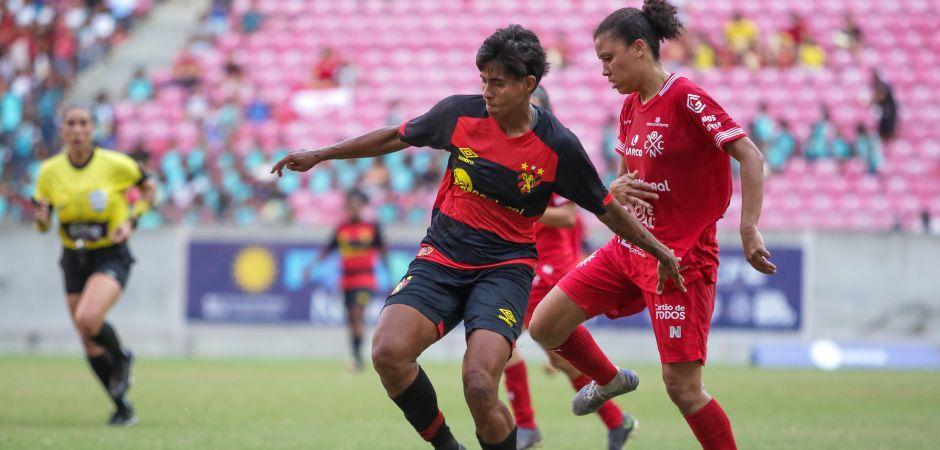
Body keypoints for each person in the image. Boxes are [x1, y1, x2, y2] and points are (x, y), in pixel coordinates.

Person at [272, 24, 683, 450]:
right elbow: (397, 135)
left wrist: (658, 250)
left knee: (479, 384)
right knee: (387, 353)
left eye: (498, 83)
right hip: (441, 258)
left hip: (504, 271)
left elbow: (606, 208)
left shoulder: (559, 146)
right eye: (484, 80)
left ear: (529, 85)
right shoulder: (458, 114)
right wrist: (320, 153)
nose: (487, 91)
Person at [527, 3, 777, 450]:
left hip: (680, 261)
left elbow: (750, 155)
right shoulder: (629, 108)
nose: (603, 69)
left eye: (608, 58)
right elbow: (624, 182)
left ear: (639, 49)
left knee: (682, 388)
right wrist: (616, 190)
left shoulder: (685, 96)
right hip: (630, 249)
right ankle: (610, 381)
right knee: (545, 325)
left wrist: (748, 227)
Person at [502, 86, 639, 450]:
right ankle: (613, 421)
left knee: (515, 345)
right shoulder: (509, 155)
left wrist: (519, 206)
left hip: (549, 270)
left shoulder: (550, 154)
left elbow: (566, 217)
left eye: (533, 107)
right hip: (522, 264)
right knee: (520, 347)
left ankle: (531, 426)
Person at [32, 105, 157, 426]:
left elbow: (149, 189)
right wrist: (43, 221)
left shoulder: (115, 164)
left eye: (83, 123)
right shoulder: (49, 172)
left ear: (93, 129)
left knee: (88, 318)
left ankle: (123, 357)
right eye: (70, 124)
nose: (76, 130)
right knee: (87, 337)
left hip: (110, 253)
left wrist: (131, 220)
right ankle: (121, 407)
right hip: (73, 257)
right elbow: (44, 223)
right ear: (61, 130)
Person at [316, 189, 388, 372]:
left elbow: (383, 250)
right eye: (351, 205)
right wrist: (311, 266)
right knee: (350, 319)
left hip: (365, 279)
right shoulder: (342, 228)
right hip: (347, 279)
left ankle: (357, 360)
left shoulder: (372, 227)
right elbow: (329, 248)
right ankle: (356, 356)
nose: (354, 209)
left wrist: (391, 273)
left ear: (362, 207)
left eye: (358, 205)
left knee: (358, 315)